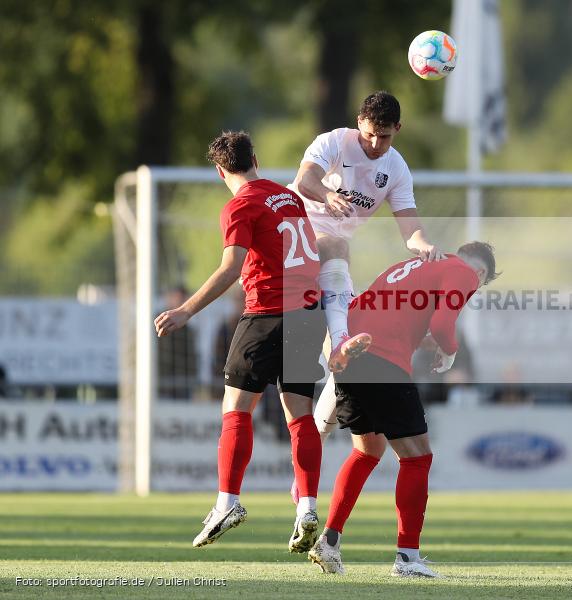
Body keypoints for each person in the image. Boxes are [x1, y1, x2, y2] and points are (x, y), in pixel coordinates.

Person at [154, 131, 327, 555]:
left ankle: (226, 503)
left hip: (268, 312)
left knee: (235, 408)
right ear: (257, 159)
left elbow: (231, 266)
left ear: (220, 172)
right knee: (299, 414)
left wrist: (186, 311)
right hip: (308, 315)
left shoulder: (240, 204)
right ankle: (306, 508)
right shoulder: (289, 198)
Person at [307, 242, 499, 578]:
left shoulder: (411, 266)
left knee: (368, 450)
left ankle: (329, 541)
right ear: (480, 274)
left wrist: (424, 341)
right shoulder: (464, 272)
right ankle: (407, 558)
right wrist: (450, 351)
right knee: (418, 457)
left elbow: (392, 315)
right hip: (382, 360)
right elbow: (442, 326)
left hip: (351, 352)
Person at [287, 91, 443, 440]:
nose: (375, 142)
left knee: (348, 367)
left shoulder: (396, 168)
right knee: (338, 243)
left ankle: (312, 446)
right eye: (370, 133)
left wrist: (423, 244)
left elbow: (410, 227)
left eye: (384, 135)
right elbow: (304, 181)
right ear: (359, 123)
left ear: (397, 129)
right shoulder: (334, 142)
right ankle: (341, 337)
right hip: (295, 236)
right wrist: (327, 195)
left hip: (331, 261)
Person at [157, 286, 199, 400]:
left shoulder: (188, 331)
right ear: (169, 298)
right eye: (178, 298)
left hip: (182, 386)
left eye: (183, 300)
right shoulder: (156, 323)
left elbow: (192, 358)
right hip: (159, 385)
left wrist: (192, 382)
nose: (181, 303)